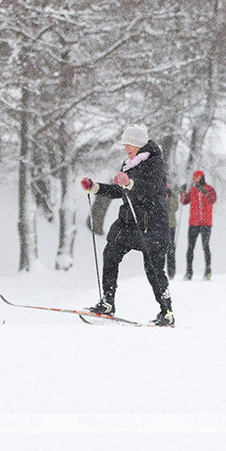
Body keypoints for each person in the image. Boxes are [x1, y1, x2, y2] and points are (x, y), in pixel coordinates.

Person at [80, 124, 174, 326]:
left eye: (128, 145)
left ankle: (167, 312)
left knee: (154, 270)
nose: (126, 148)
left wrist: (130, 183)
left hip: (152, 224)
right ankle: (107, 302)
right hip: (129, 222)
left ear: (139, 144)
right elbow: (119, 191)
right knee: (110, 253)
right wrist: (95, 187)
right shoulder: (129, 164)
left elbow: (152, 189)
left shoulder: (155, 163)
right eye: (124, 145)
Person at [181, 170, 217, 281]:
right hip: (194, 223)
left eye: (197, 178)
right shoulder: (193, 190)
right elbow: (184, 201)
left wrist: (205, 192)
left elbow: (213, 199)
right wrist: (182, 192)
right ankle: (188, 272)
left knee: (205, 246)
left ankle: (208, 271)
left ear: (201, 178)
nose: (195, 181)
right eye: (194, 179)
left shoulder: (209, 189)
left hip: (205, 223)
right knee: (190, 247)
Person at [165, 183, 180, 279]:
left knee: (171, 247)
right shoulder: (157, 193)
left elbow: (175, 207)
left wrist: (170, 198)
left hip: (170, 225)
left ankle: (171, 271)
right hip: (160, 225)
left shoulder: (173, 195)